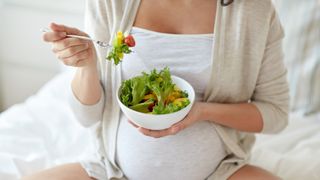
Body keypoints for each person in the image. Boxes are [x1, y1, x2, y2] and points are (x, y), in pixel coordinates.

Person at [22, 0, 289, 179]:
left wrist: (202, 111)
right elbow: (87, 116)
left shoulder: (254, 11)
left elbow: (275, 114)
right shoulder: (112, 4)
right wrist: (88, 65)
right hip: (112, 171)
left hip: (219, 173)